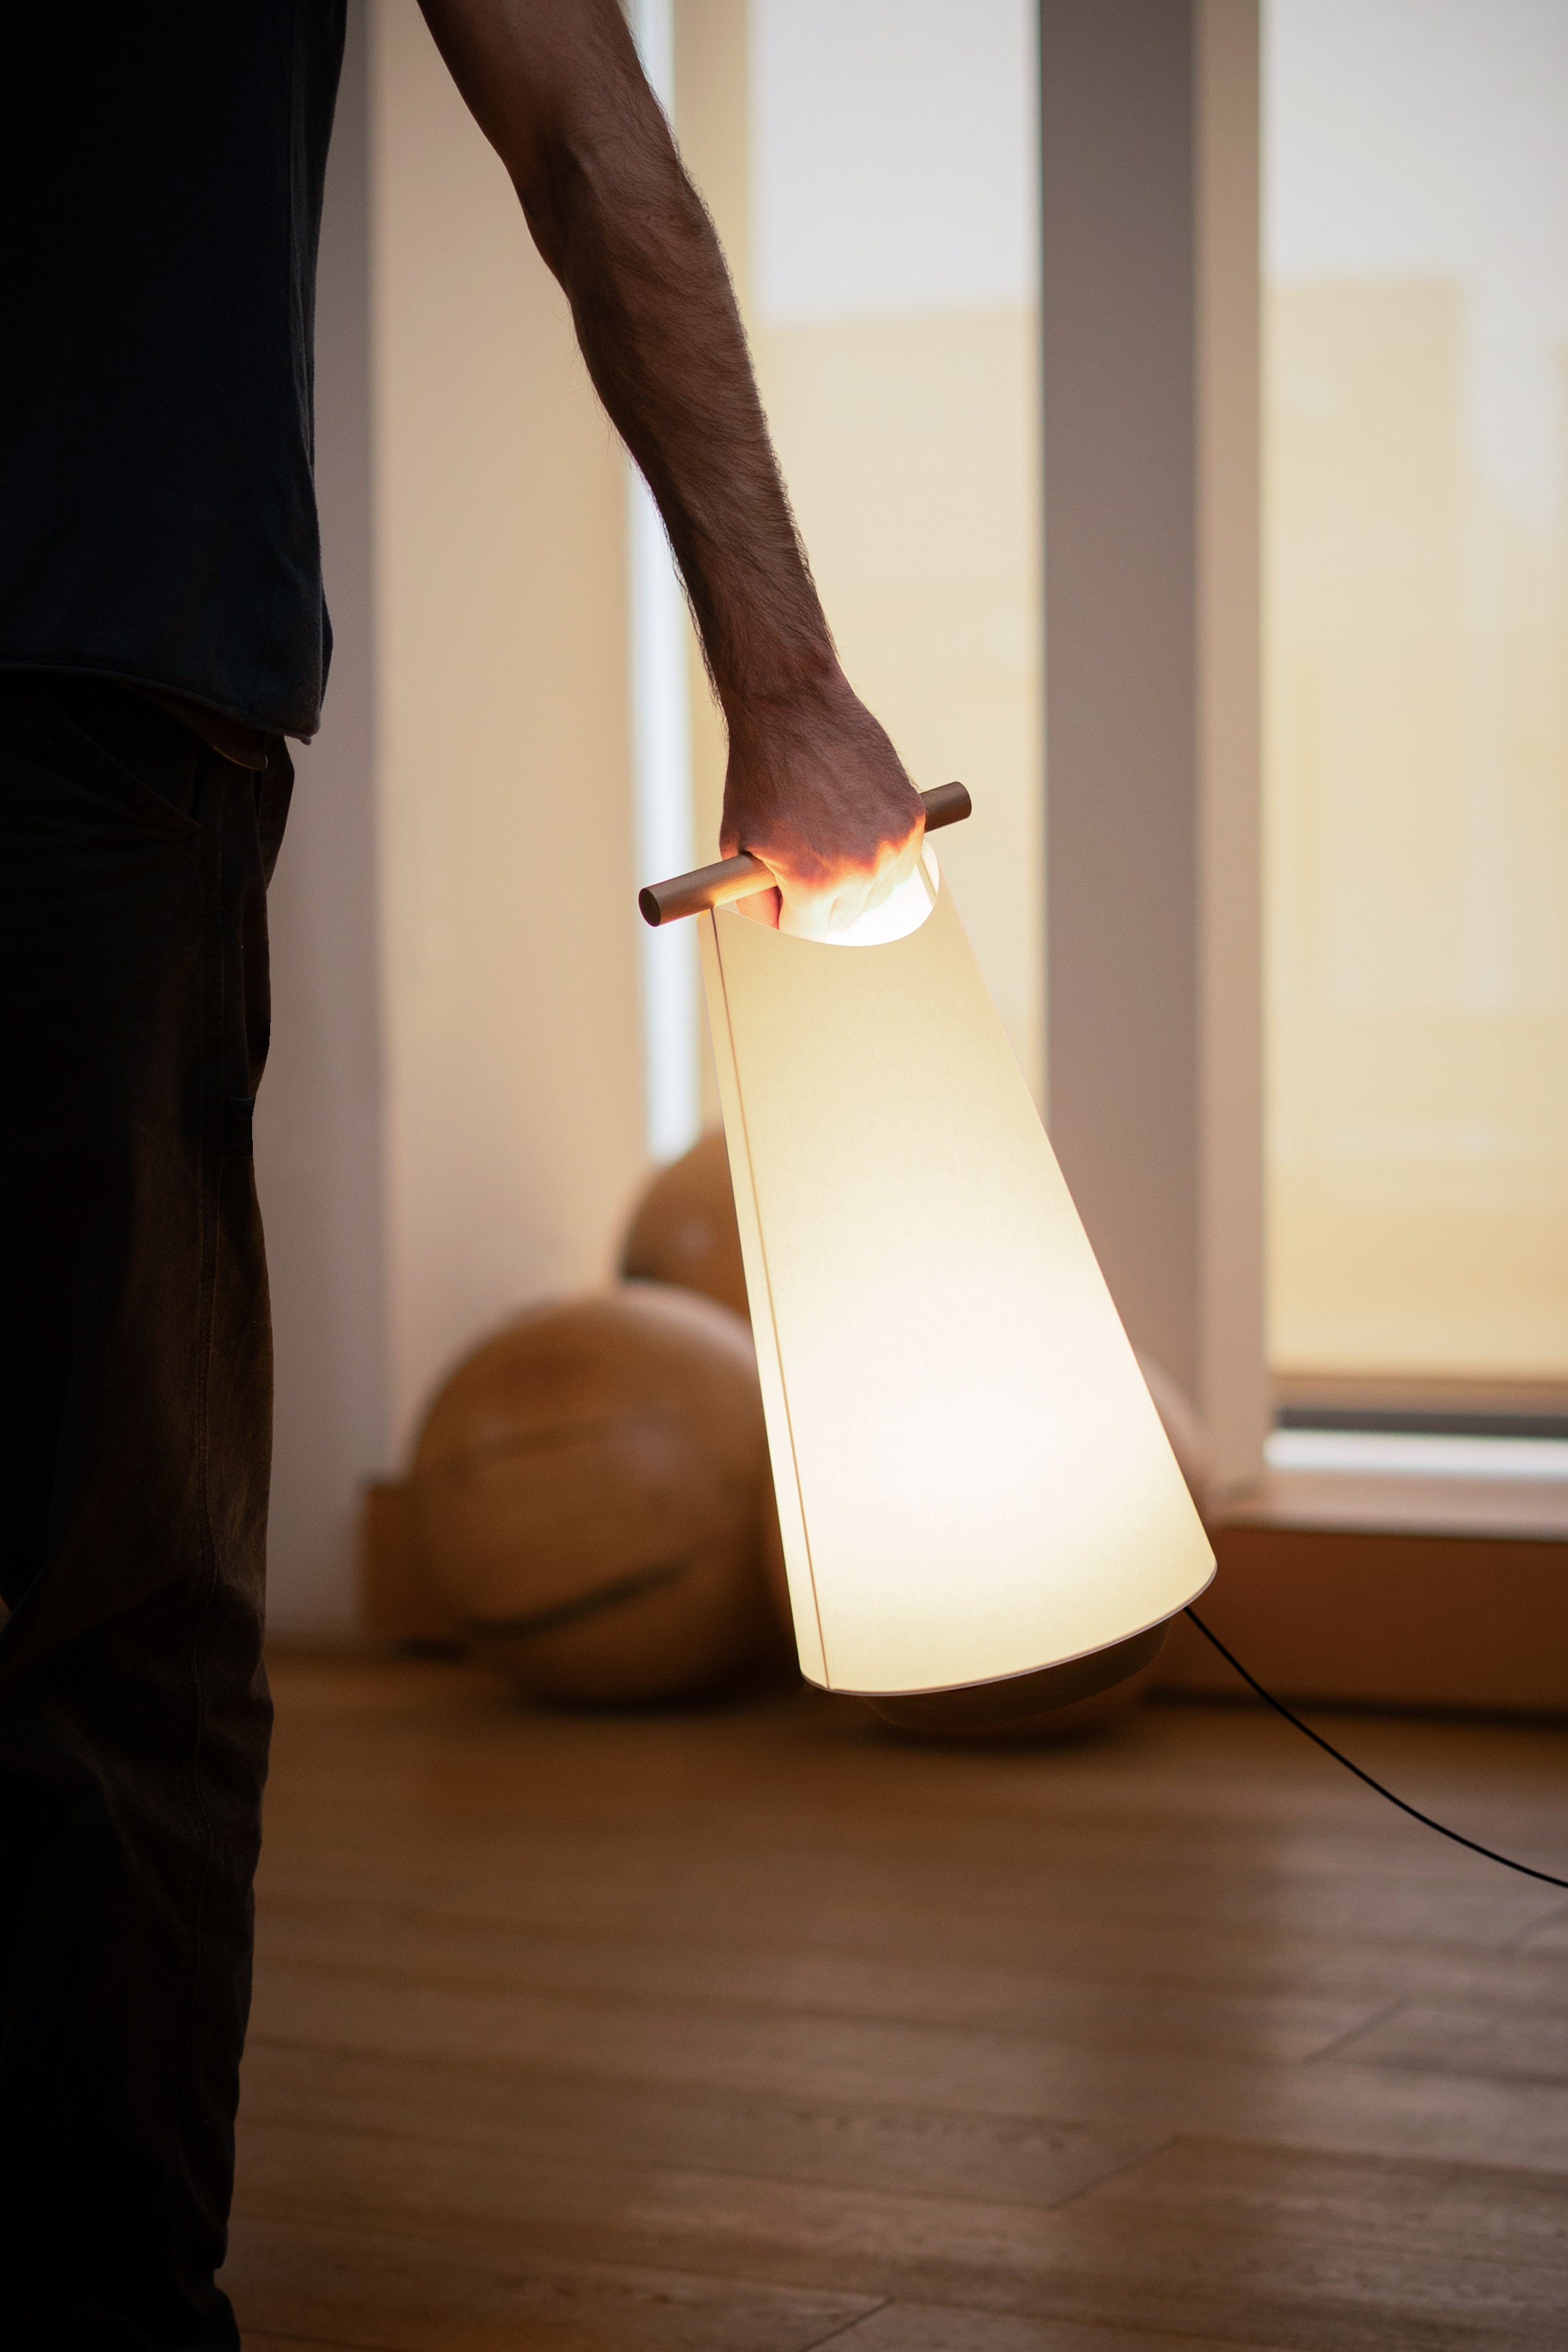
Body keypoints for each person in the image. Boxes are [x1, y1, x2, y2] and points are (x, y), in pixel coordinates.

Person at [0, 3, 923, 2345]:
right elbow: (593, 143)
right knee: (110, 1612)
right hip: (105, 684)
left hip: (86, 681)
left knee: (100, 1599)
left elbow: (584, 140)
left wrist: (788, 678)